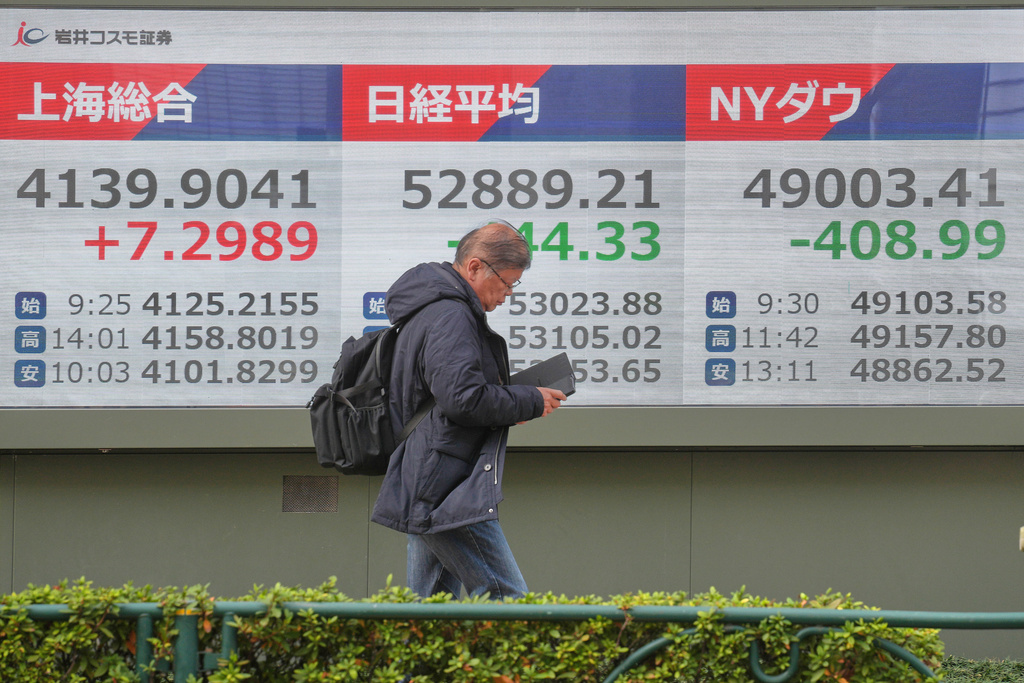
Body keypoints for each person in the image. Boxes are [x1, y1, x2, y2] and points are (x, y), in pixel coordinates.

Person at [371, 220, 566, 601]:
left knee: (430, 607)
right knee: (507, 597)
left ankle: (419, 664)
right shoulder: (451, 315)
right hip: (444, 482)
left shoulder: (433, 308)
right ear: (475, 267)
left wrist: (509, 405)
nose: (508, 294)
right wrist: (528, 399)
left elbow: (454, 394)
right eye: (507, 283)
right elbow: (463, 398)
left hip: (431, 472)